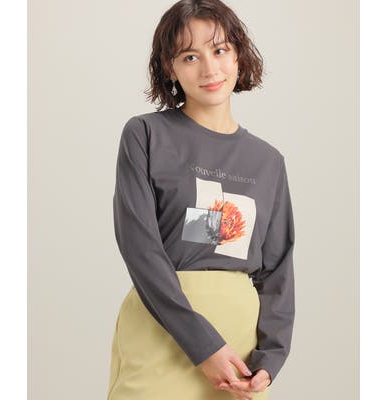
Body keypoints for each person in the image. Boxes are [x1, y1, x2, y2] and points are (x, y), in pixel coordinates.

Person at [107, 1, 295, 399]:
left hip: (241, 350)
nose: (209, 69)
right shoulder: (145, 135)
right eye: (190, 56)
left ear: (239, 56)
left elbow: (277, 270)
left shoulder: (268, 162)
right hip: (162, 332)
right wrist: (204, 346)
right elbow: (140, 249)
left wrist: (272, 357)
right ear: (170, 68)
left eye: (220, 50)